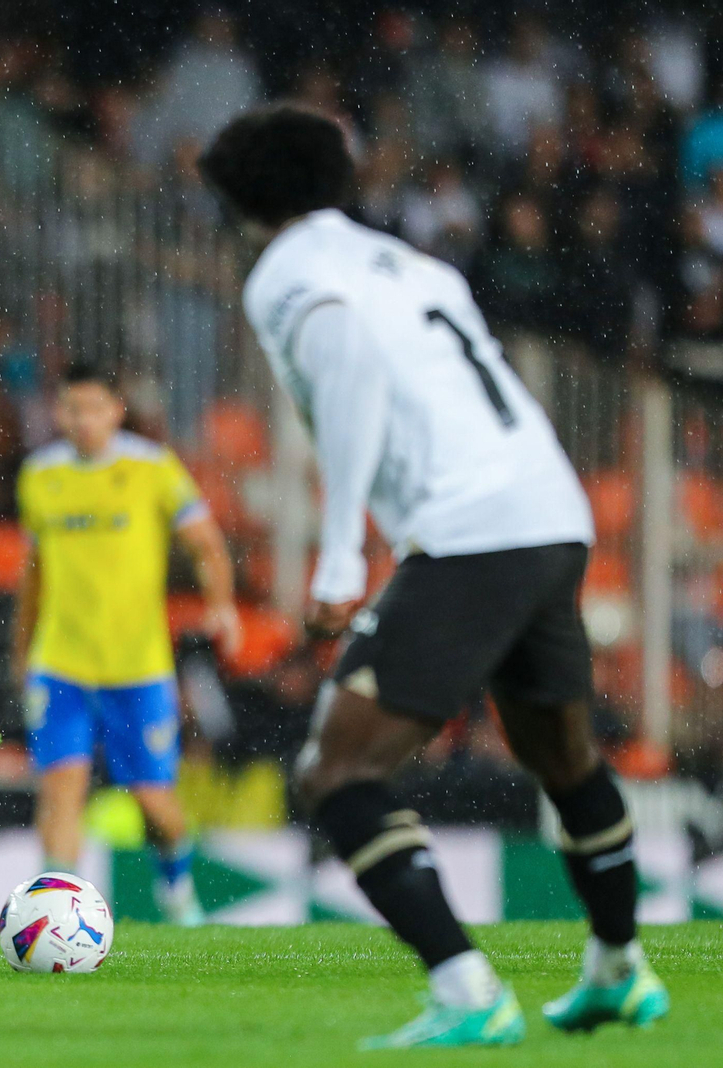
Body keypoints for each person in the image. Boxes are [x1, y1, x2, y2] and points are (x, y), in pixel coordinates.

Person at [199, 106, 669, 1049]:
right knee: (562, 757)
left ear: (244, 201)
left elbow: (351, 367)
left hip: (469, 532)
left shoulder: (290, 273)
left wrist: (339, 556)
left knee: (336, 773)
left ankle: (465, 989)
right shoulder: (407, 259)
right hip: (547, 511)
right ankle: (619, 968)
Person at [12, 364, 241, 926]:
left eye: (93, 408)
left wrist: (222, 604)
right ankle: (51, 920)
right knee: (62, 790)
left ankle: (177, 889)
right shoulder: (39, 476)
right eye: (70, 409)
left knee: (153, 803)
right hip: (61, 662)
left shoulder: (153, 468)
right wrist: (22, 650)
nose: (82, 421)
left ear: (117, 409)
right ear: (57, 412)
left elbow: (207, 544)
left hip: (138, 667)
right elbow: (34, 572)